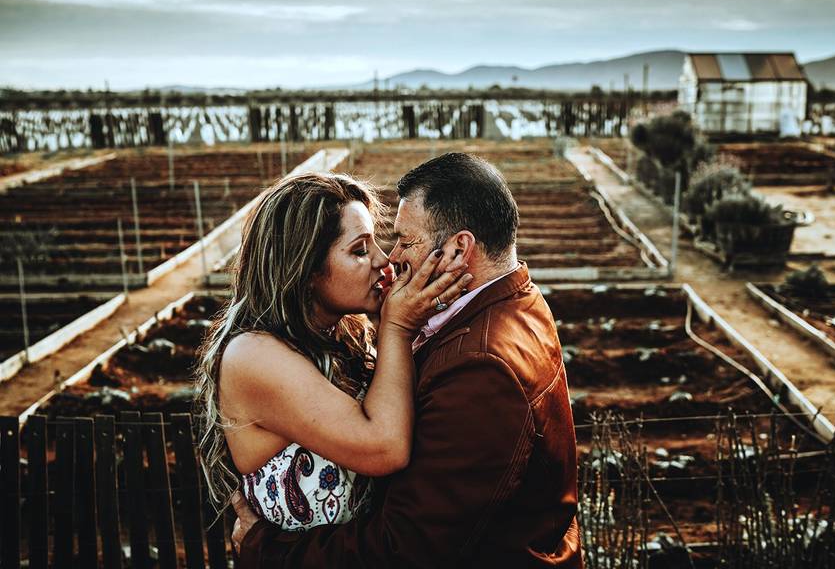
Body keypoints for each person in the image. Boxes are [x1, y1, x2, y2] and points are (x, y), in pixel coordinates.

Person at [231, 152, 583, 568]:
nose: (391, 258)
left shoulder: (483, 366)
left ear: (458, 248)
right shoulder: (513, 303)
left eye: (404, 240)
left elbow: (407, 550)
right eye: (364, 248)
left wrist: (266, 550)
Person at [195, 172, 472, 532]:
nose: (383, 260)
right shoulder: (252, 356)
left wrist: (388, 323)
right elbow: (385, 447)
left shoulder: (343, 335)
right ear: (306, 268)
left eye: (375, 244)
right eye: (359, 250)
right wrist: (397, 327)